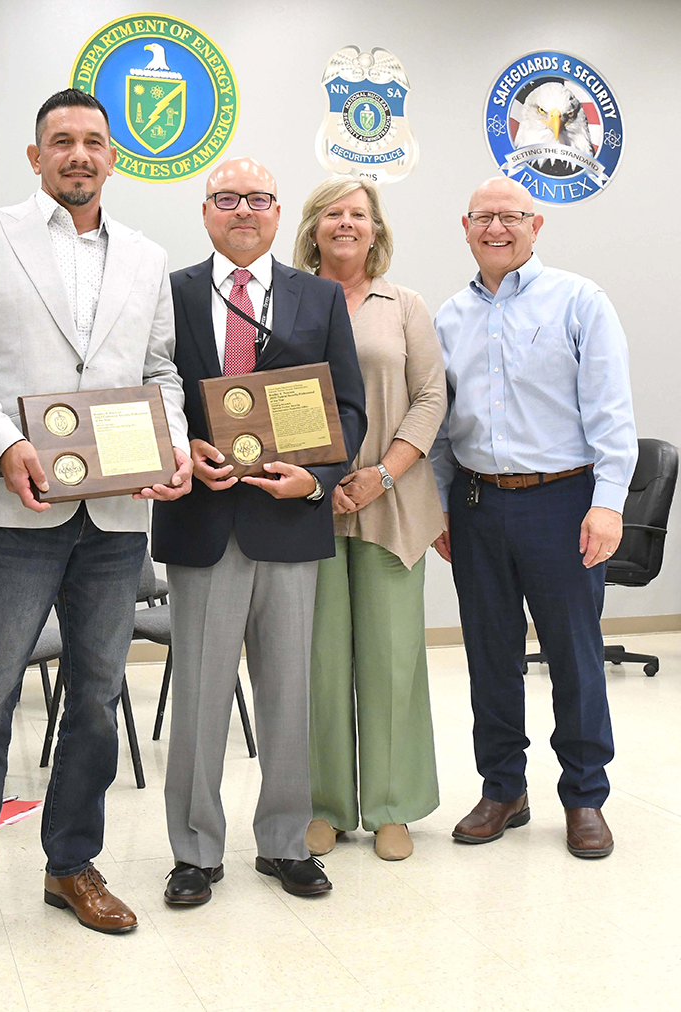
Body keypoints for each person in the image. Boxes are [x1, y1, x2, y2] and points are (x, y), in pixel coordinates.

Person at [0, 88, 191, 952]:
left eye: (94, 143)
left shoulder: (147, 257)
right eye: (62, 141)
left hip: (117, 518)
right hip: (17, 508)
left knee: (97, 697)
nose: (79, 155)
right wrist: (6, 446)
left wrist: (174, 444)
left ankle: (72, 863)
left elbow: (159, 371)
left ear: (114, 158)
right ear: (35, 156)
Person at [151, 158, 366, 906]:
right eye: (227, 199)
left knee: (288, 696)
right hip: (201, 521)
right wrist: (181, 450)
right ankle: (194, 851)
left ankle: (283, 842)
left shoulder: (318, 298)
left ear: (279, 214)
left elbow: (349, 407)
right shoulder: (169, 292)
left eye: (258, 199)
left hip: (290, 520)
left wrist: (319, 481)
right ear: (205, 210)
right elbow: (154, 388)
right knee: (201, 700)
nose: (244, 210)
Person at [430, 176, 637, 859]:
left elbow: (612, 415)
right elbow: (437, 428)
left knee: (574, 658)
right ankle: (503, 789)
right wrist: (437, 510)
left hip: (563, 503)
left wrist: (608, 505)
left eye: (510, 217)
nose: (496, 228)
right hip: (477, 504)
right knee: (491, 658)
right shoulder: (448, 318)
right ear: (465, 228)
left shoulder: (580, 300)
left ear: (536, 224)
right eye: (483, 217)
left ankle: (584, 796)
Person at [294, 177, 446, 862]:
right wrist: (321, 481)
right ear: (314, 228)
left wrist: (382, 473)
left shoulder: (404, 304)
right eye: (334, 213)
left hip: (393, 503)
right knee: (320, 662)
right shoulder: (290, 302)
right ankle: (326, 804)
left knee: (391, 660)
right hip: (309, 506)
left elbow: (430, 396)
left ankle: (392, 805)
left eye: (359, 214)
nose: (347, 223)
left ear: (376, 229)